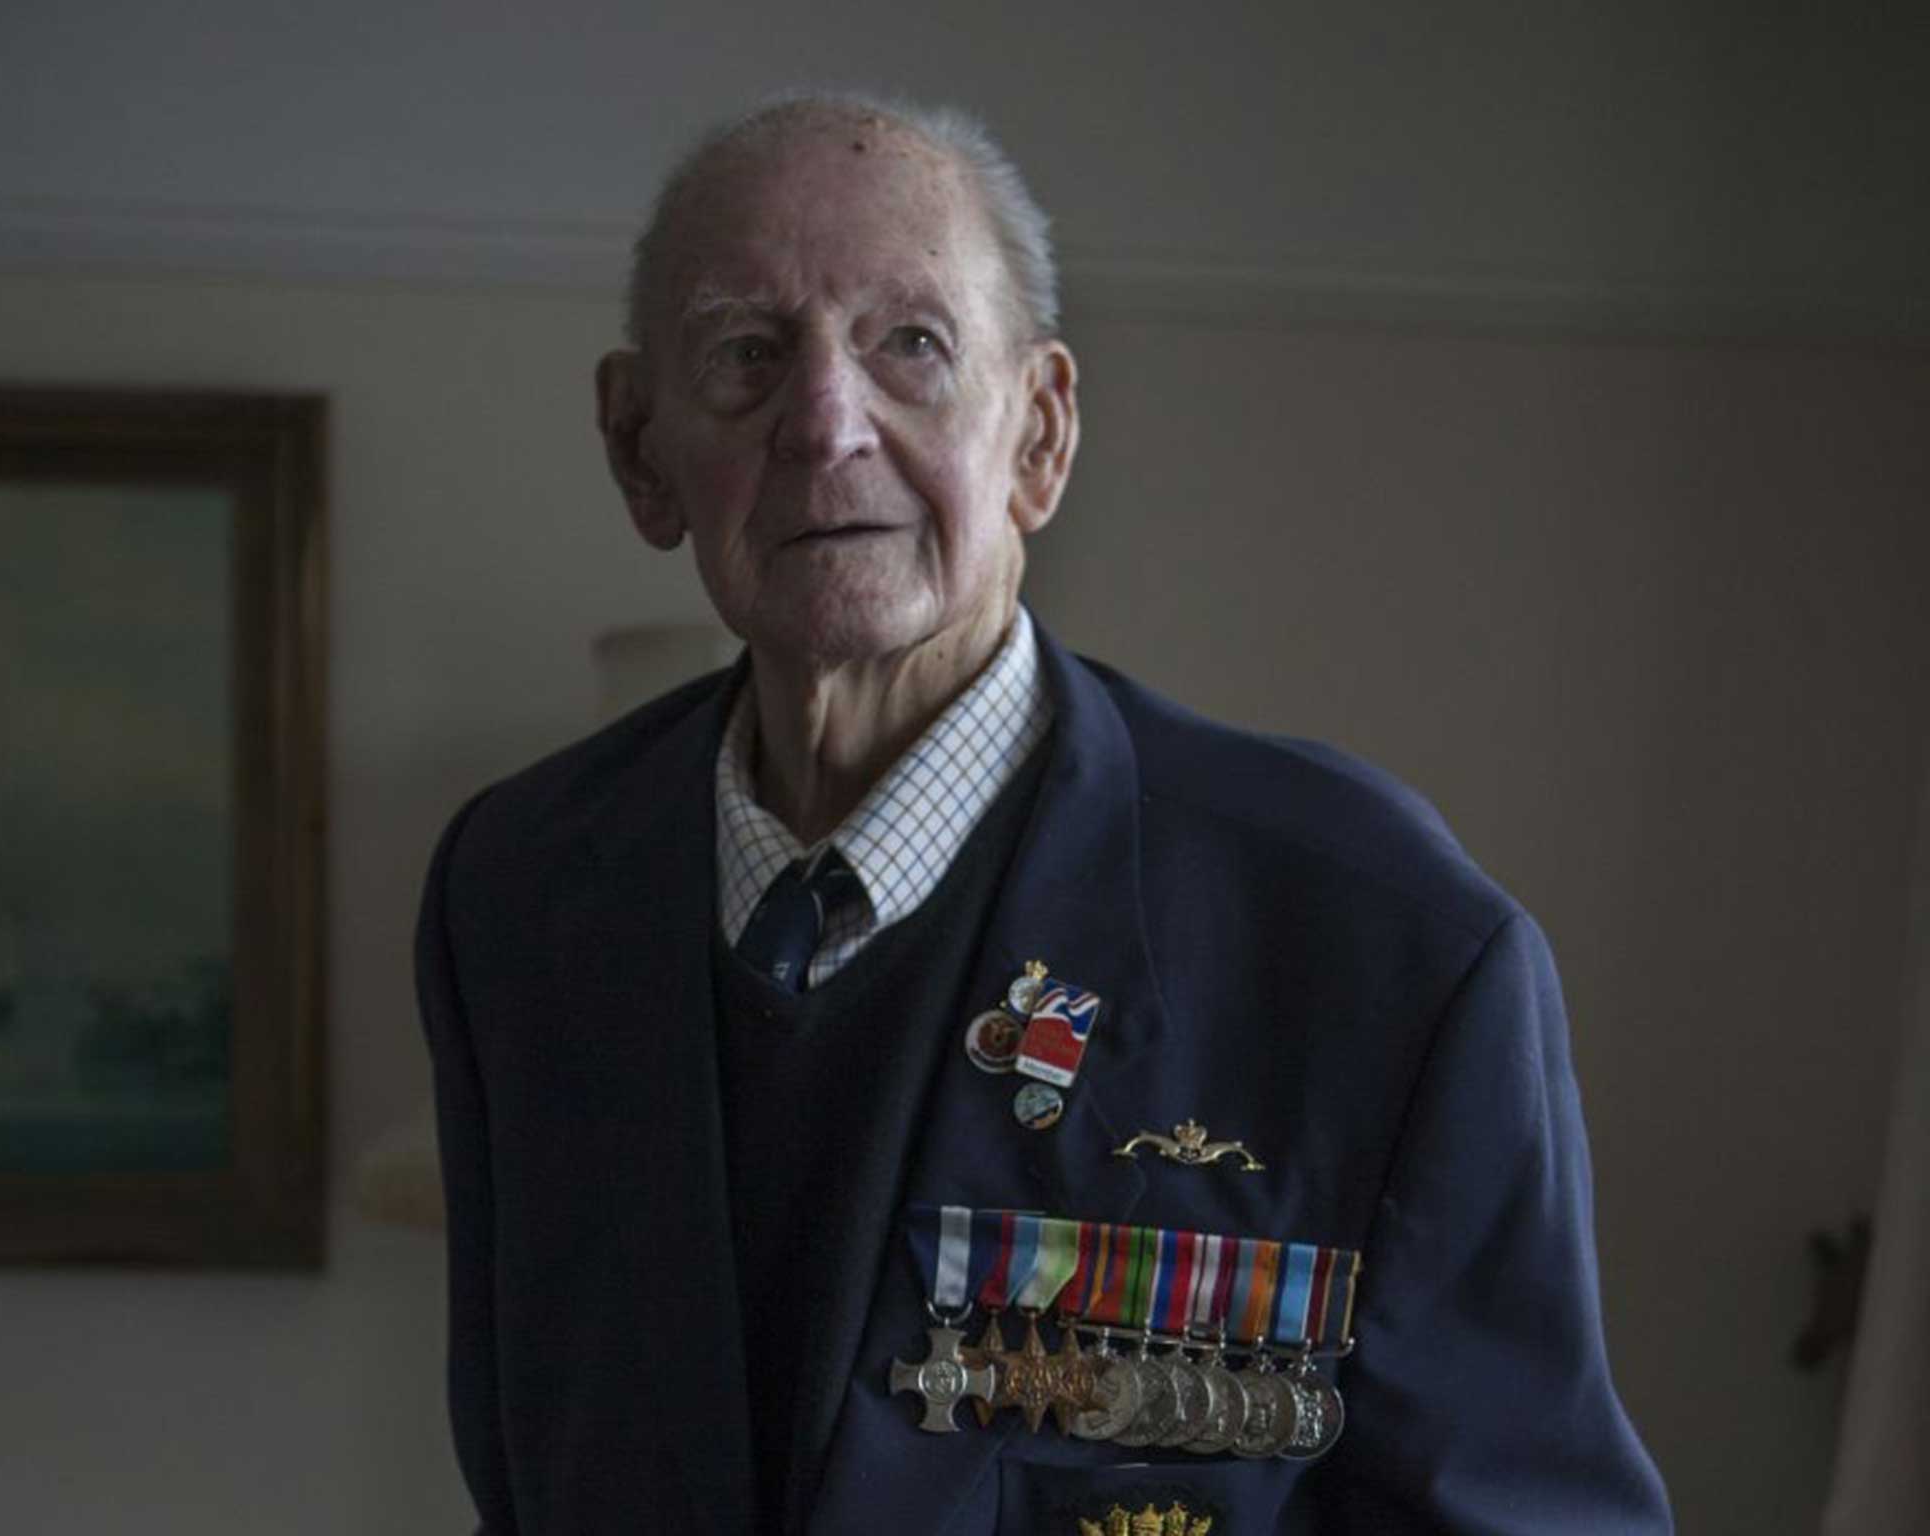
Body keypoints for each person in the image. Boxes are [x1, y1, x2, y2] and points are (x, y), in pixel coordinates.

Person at [415, 91, 1672, 1535]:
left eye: (912, 346)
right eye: (748, 355)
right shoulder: (516, 893)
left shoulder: (1379, 943)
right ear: (640, 450)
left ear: (1041, 436)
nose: (827, 424)